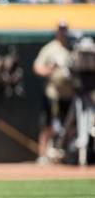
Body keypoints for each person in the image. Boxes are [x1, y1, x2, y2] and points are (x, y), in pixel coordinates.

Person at [33, 20, 74, 164]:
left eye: (65, 30)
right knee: (47, 125)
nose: (63, 33)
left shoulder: (71, 48)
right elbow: (37, 67)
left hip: (68, 94)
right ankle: (43, 155)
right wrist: (50, 70)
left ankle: (68, 155)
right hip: (52, 93)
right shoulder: (50, 48)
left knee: (69, 126)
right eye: (60, 30)